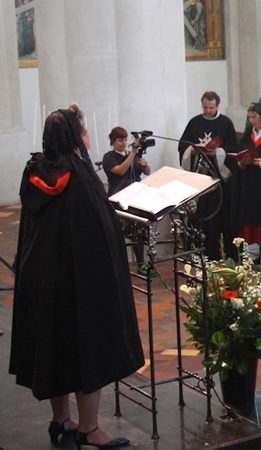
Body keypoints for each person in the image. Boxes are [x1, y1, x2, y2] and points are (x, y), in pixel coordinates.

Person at [10, 105, 143, 448]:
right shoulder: (80, 178)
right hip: (80, 284)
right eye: (83, 131)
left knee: (55, 348)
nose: (87, 137)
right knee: (86, 350)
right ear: (74, 137)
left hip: (43, 281)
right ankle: (88, 428)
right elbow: (100, 231)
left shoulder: (33, 170)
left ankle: (61, 421)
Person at [177, 91, 238, 260]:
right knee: (204, 218)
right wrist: (193, 150)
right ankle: (206, 253)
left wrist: (218, 152)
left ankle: (228, 255)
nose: (208, 110)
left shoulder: (226, 123)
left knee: (223, 218)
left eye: (211, 107)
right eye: (205, 107)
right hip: (201, 179)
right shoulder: (194, 122)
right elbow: (183, 145)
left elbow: (233, 149)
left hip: (220, 179)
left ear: (217, 105)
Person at [228, 103, 261, 265]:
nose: (252, 120)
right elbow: (240, 155)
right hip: (248, 182)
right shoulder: (247, 135)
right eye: (249, 117)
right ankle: (244, 254)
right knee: (247, 215)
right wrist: (242, 164)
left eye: (254, 117)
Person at [102, 126, 151, 275]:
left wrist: (144, 165)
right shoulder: (109, 157)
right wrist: (133, 154)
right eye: (119, 140)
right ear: (113, 141)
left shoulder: (132, 155)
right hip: (118, 199)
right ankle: (118, 265)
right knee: (118, 233)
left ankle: (141, 263)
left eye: (124, 140)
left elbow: (148, 172)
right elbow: (121, 170)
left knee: (139, 230)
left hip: (135, 197)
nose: (123, 143)